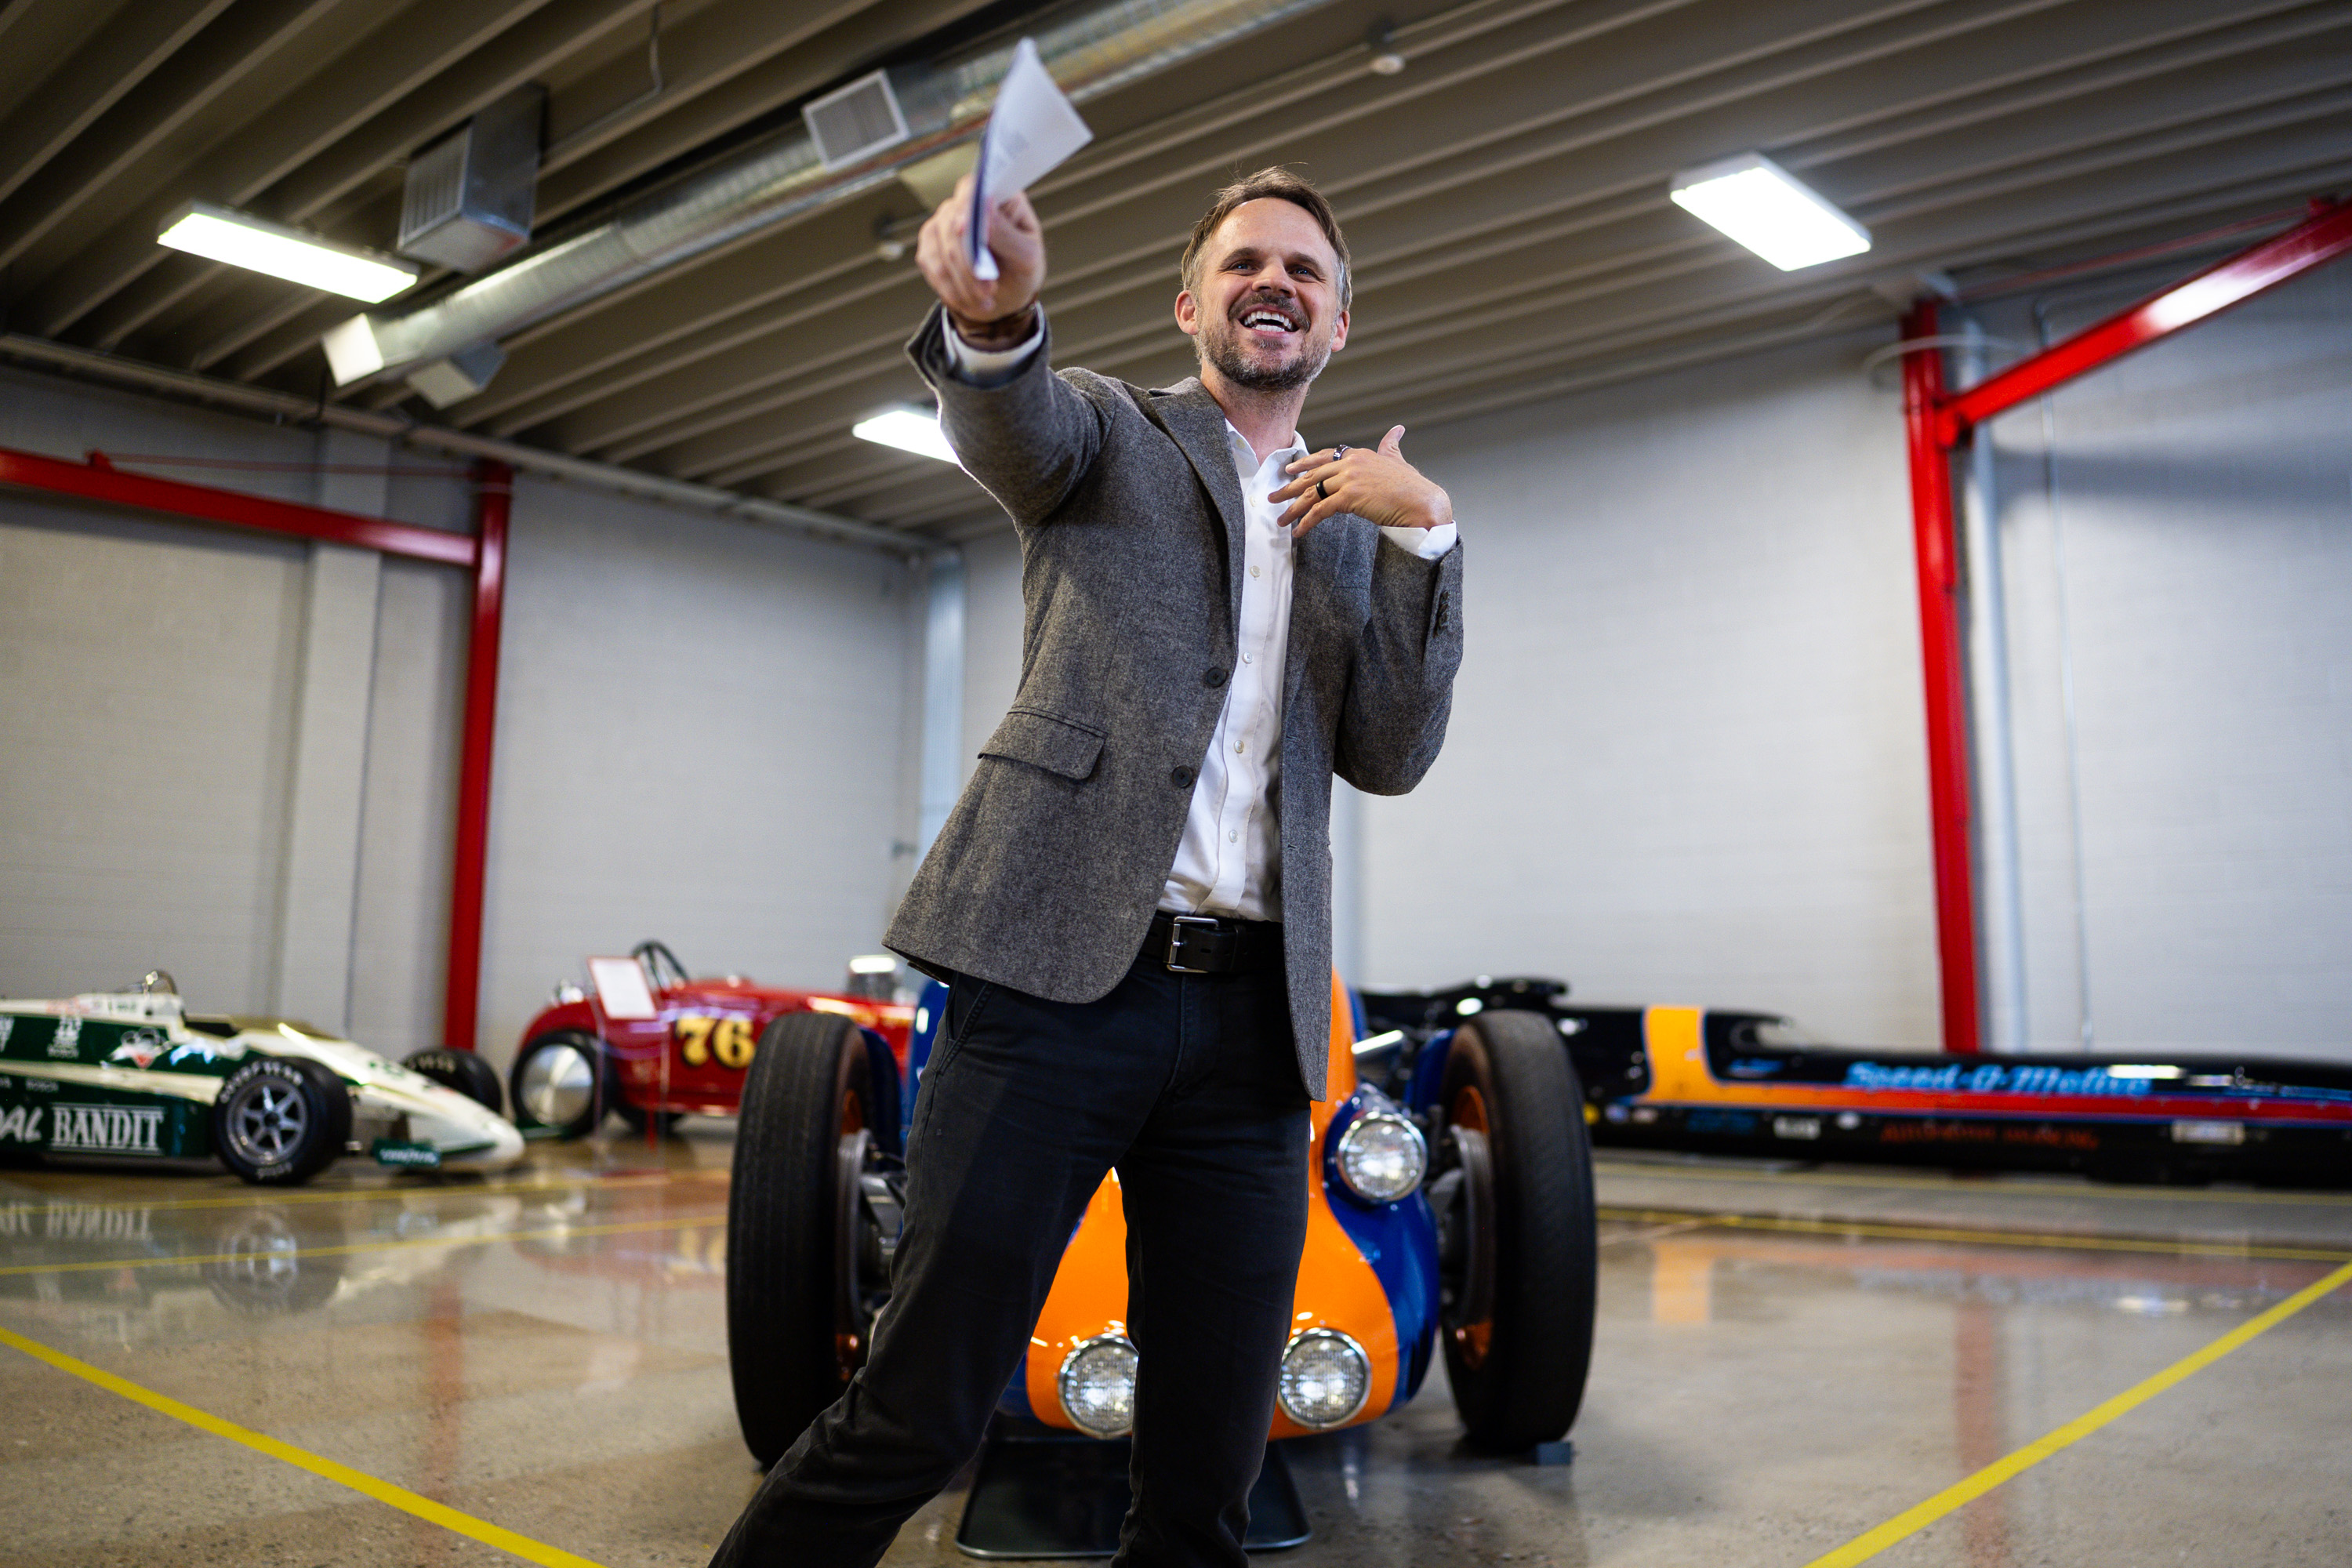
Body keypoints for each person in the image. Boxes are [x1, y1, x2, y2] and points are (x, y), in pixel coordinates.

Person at [708, 165, 1464, 1568]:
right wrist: (995, 327)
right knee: (918, 1410)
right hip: (1055, 993)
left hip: (1251, 1030)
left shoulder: (1356, 522)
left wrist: (1425, 530)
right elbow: (1013, 423)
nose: (1275, 283)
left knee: (1206, 1469)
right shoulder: (1111, 438)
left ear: (1339, 324)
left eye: (1305, 269)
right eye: (1245, 262)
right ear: (1192, 305)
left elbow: (1394, 752)